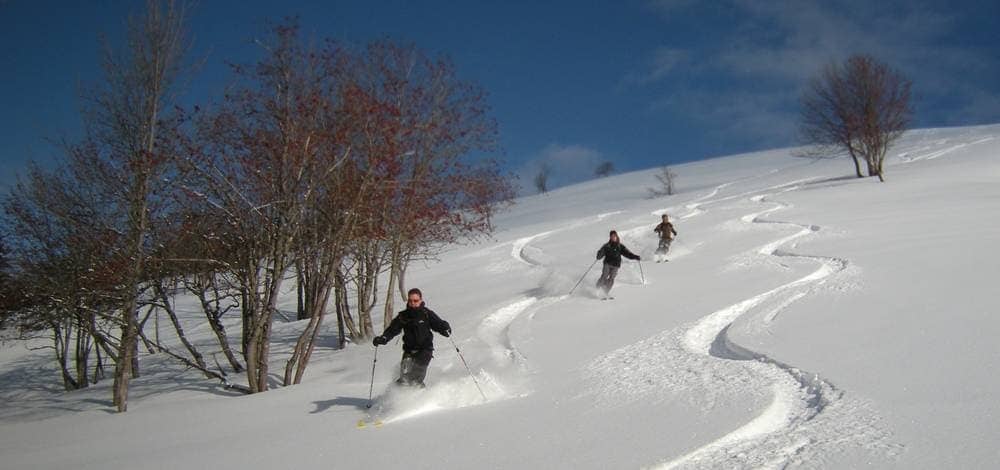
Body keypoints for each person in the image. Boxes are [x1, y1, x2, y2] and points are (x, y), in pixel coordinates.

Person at [372, 288, 451, 387]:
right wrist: (383, 338)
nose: (413, 303)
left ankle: (423, 399)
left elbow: (438, 324)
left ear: (421, 300)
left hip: (425, 351)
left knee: (416, 378)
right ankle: (396, 398)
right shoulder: (403, 316)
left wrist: (445, 329)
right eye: (410, 301)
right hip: (409, 351)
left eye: (415, 301)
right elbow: (393, 329)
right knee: (404, 379)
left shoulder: (426, 314)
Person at [595, 230, 640, 298]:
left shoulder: (620, 246)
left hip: (616, 265)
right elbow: (599, 256)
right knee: (604, 276)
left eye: (614, 236)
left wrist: (635, 257)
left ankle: (605, 291)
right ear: (610, 237)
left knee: (611, 279)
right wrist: (599, 253)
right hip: (607, 263)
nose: (613, 237)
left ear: (616, 236)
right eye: (612, 236)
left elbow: (627, 253)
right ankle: (597, 289)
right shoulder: (607, 246)